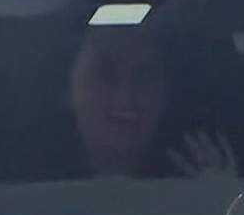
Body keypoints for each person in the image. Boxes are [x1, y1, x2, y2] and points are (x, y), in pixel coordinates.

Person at [67, 25, 235, 178]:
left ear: (165, 91)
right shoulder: (42, 185)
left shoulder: (195, 183)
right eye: (105, 73)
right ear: (68, 88)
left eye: (143, 75)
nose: (125, 97)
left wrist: (220, 200)